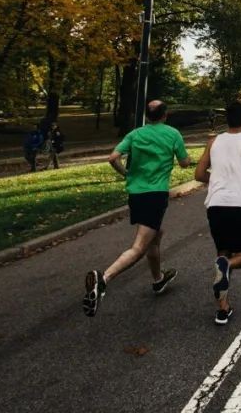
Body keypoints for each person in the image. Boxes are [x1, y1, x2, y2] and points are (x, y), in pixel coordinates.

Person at [82, 100, 192, 317]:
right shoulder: (172, 134)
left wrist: (126, 174)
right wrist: (185, 158)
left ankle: (158, 280)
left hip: (136, 194)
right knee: (140, 246)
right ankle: (103, 280)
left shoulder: (135, 134)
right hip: (155, 195)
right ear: (165, 114)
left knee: (155, 236)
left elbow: (113, 158)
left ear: (147, 115)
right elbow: (185, 163)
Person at [195, 100, 241, 325]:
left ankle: (223, 309)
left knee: (223, 252)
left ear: (226, 120)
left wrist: (216, 180)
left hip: (216, 205)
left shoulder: (213, 141)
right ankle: (228, 267)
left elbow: (198, 174)